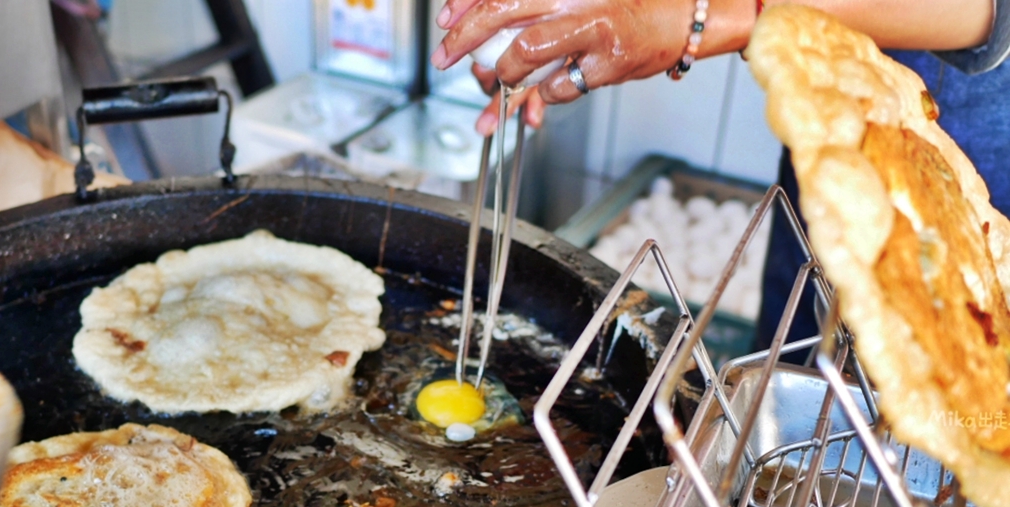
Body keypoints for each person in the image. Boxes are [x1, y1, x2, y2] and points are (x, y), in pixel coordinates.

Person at [430, 0, 1010, 350]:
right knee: (789, 403)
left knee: (925, 463)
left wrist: (706, 16)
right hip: (836, 121)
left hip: (962, 147)